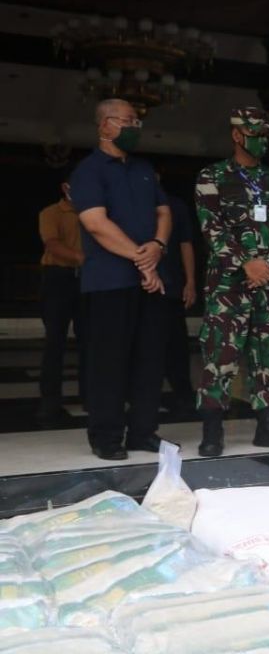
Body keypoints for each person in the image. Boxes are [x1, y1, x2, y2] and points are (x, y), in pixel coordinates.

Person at [194, 107, 269, 457]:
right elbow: (213, 227)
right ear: (237, 135)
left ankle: (268, 426)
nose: (261, 140)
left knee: (267, 355)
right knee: (220, 354)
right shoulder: (212, 176)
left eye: (265, 135)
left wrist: (267, 265)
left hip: (268, 285)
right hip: (228, 284)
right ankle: (213, 430)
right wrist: (246, 263)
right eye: (255, 134)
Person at [70, 99, 170, 460]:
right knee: (108, 362)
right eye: (127, 120)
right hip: (109, 282)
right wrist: (143, 261)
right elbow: (96, 223)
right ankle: (107, 436)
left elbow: (164, 211)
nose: (134, 126)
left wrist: (158, 245)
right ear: (104, 126)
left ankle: (143, 431)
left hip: (149, 280)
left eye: (137, 120)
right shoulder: (88, 171)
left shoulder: (144, 169)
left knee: (149, 359)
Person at [36, 178, 85, 427]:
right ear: (66, 187)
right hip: (58, 278)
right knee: (55, 340)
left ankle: (90, 395)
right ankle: (50, 400)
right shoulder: (51, 213)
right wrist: (82, 258)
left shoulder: (93, 212)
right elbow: (52, 245)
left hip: (86, 281)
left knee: (90, 340)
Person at [156, 171, 198, 416]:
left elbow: (185, 244)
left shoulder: (175, 206)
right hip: (140, 287)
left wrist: (190, 281)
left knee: (177, 346)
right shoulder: (132, 206)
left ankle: (183, 394)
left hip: (171, 287)